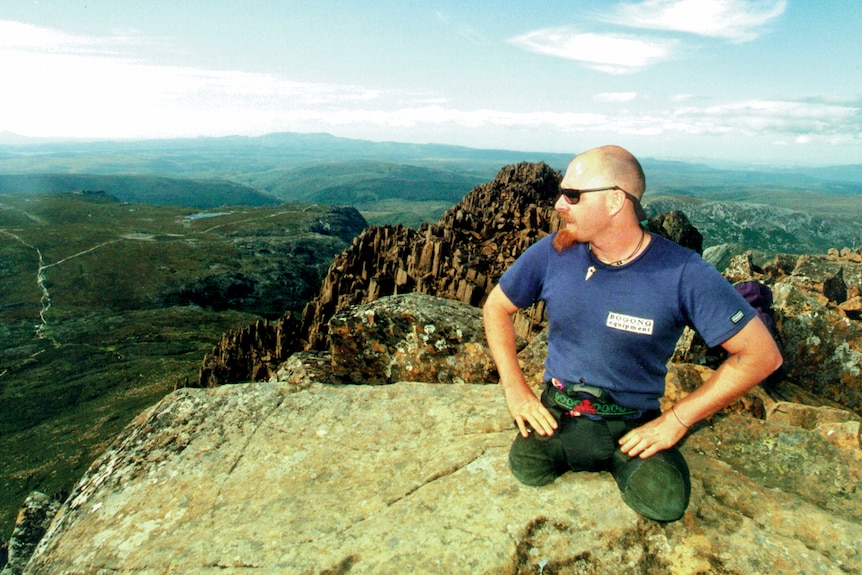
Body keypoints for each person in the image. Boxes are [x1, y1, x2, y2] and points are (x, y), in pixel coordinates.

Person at [483, 145, 783, 522]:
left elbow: (762, 354)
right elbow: (496, 307)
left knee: (665, 501)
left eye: (573, 196)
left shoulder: (682, 272)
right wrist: (517, 391)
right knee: (528, 468)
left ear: (614, 201)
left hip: (631, 427)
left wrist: (677, 420)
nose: (560, 204)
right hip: (558, 414)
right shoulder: (554, 252)